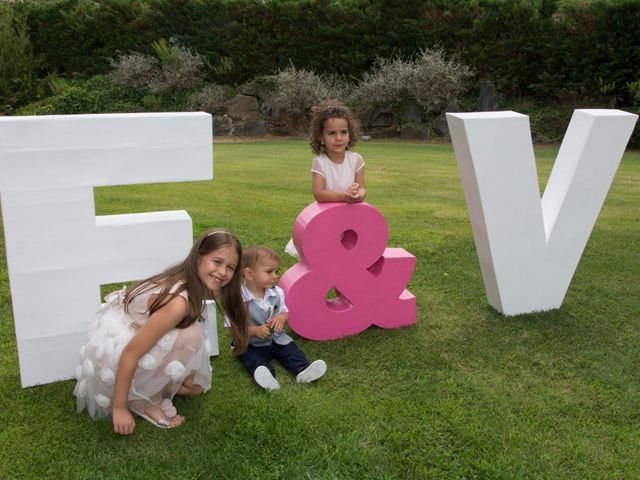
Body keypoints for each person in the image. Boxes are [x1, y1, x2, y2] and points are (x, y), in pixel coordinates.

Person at [74, 229, 248, 435]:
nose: (222, 272)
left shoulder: (188, 278)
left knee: (197, 388)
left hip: (133, 335)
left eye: (230, 267)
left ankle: (156, 385)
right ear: (199, 256)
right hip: (117, 356)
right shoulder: (177, 303)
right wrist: (119, 408)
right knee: (191, 335)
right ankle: (144, 401)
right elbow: (131, 353)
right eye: (217, 262)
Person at [285, 100, 367, 258]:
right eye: (332, 133)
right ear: (321, 137)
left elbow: (362, 187)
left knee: (349, 252)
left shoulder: (356, 159)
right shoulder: (320, 162)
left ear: (350, 134)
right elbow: (319, 193)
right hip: (327, 215)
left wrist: (358, 195)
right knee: (326, 252)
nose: (338, 138)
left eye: (343, 132)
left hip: (351, 214)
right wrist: (344, 196)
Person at [238, 245, 326, 390]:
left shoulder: (277, 292)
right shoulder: (238, 299)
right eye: (269, 272)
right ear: (249, 274)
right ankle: (265, 375)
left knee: (290, 350)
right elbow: (233, 328)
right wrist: (254, 331)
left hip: (276, 338)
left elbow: (285, 312)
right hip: (251, 343)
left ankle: (302, 369)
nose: (275, 276)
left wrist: (281, 319)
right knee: (250, 357)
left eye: (276, 271)